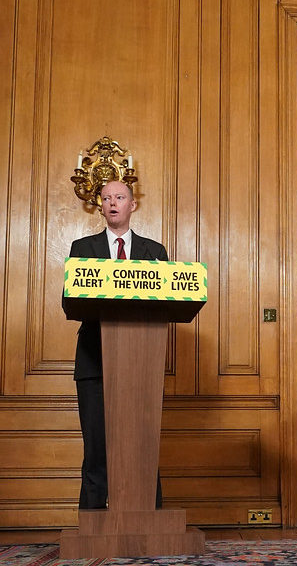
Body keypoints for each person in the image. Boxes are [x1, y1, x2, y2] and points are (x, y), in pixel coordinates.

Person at [64, 180, 168, 509]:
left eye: (119, 197)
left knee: (142, 445)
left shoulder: (155, 252)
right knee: (96, 447)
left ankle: (150, 520)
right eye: (106, 198)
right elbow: (69, 303)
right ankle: (92, 524)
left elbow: (169, 304)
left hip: (142, 362)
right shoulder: (82, 248)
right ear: (100, 206)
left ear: (132, 205)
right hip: (95, 360)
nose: (112, 203)